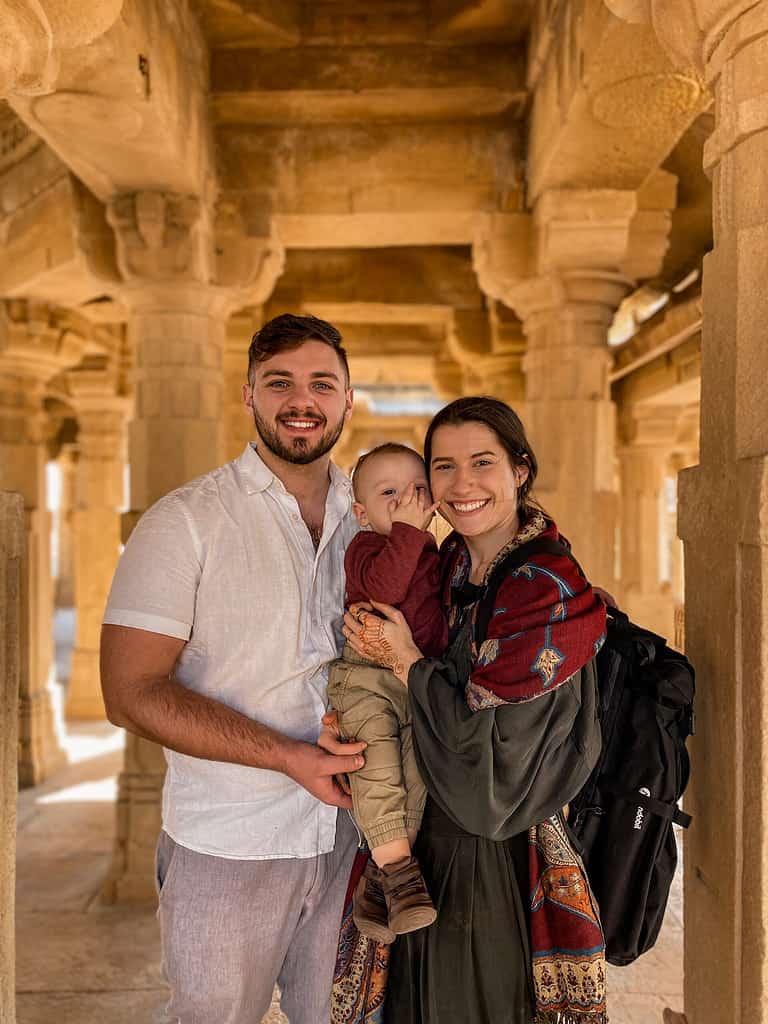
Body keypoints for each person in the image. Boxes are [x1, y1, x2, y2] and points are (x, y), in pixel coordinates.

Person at [100, 313, 369, 1024]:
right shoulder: (185, 520)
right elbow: (128, 693)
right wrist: (286, 756)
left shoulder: (372, 521)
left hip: (354, 837)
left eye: (321, 383)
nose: (300, 399)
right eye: (279, 383)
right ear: (248, 396)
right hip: (228, 843)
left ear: (349, 400)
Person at [336, 396, 609, 1024]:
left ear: (519, 469)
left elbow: (491, 766)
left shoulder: (545, 587)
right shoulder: (452, 563)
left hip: (491, 852)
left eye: (482, 462)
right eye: (443, 466)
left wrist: (406, 663)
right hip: (425, 845)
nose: (461, 485)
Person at [327, 443, 447, 943]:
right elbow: (386, 589)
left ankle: (383, 882)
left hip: (415, 681)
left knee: (419, 769)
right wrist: (409, 532)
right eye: (390, 494)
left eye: (418, 491)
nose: (406, 503)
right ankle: (399, 870)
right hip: (366, 679)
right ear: (362, 512)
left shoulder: (435, 552)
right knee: (375, 767)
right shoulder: (366, 549)